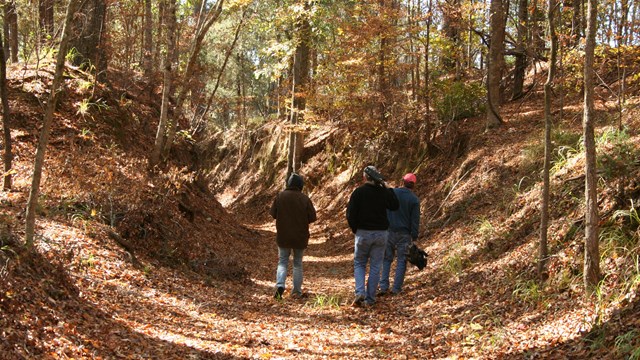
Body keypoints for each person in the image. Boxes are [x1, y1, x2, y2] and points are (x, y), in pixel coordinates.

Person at [346, 166, 399, 306]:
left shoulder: (358, 193)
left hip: (363, 232)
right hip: (381, 234)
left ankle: (360, 292)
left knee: (359, 263)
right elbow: (395, 205)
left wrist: (355, 229)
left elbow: (350, 214)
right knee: (376, 266)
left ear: (364, 177)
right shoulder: (383, 192)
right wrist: (388, 188)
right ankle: (370, 299)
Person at [270, 173, 317, 299]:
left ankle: (280, 284)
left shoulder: (280, 196)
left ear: (288, 184)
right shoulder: (305, 199)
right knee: (297, 263)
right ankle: (296, 291)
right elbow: (313, 217)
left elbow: (273, 213)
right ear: (300, 185)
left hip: (283, 235)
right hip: (300, 237)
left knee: (283, 261)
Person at [379, 173, 420, 296]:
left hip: (389, 231)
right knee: (402, 260)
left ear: (403, 181)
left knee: (386, 259)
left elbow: (384, 209)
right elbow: (415, 220)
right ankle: (396, 288)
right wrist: (414, 236)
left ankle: (383, 286)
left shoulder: (392, 192)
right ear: (413, 185)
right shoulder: (414, 200)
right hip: (405, 233)